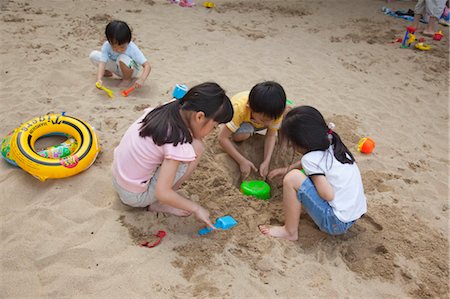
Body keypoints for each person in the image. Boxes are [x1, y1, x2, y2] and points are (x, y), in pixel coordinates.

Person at [112, 82, 233, 229]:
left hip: (117, 175)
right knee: (197, 148)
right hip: (133, 196)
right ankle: (159, 205)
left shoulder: (171, 106)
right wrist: (196, 208)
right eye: (214, 126)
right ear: (200, 117)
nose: (213, 131)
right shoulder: (177, 140)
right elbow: (162, 192)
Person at [259, 106, 367, 240]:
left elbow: (327, 194)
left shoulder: (309, 159)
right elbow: (315, 162)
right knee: (296, 175)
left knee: (292, 178)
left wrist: (296, 175)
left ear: (299, 141)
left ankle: (289, 231)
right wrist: (287, 169)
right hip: (354, 213)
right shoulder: (331, 140)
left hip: (335, 222)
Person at [218, 81, 286, 180]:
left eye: (272, 120)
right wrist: (242, 161)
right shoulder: (239, 109)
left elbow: (271, 135)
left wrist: (266, 161)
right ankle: (245, 130)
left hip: (256, 121)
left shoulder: (275, 114)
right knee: (243, 134)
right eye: (264, 120)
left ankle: (257, 124)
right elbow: (222, 138)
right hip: (242, 121)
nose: (268, 123)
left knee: (288, 114)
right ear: (249, 108)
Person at [89, 20, 151, 88]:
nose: (118, 49)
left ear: (128, 41)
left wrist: (142, 79)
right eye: (114, 46)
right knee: (93, 55)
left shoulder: (132, 48)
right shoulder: (107, 45)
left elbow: (147, 65)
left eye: (122, 47)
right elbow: (102, 63)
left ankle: (127, 79)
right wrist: (99, 79)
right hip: (117, 67)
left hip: (131, 69)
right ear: (109, 41)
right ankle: (107, 73)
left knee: (122, 57)